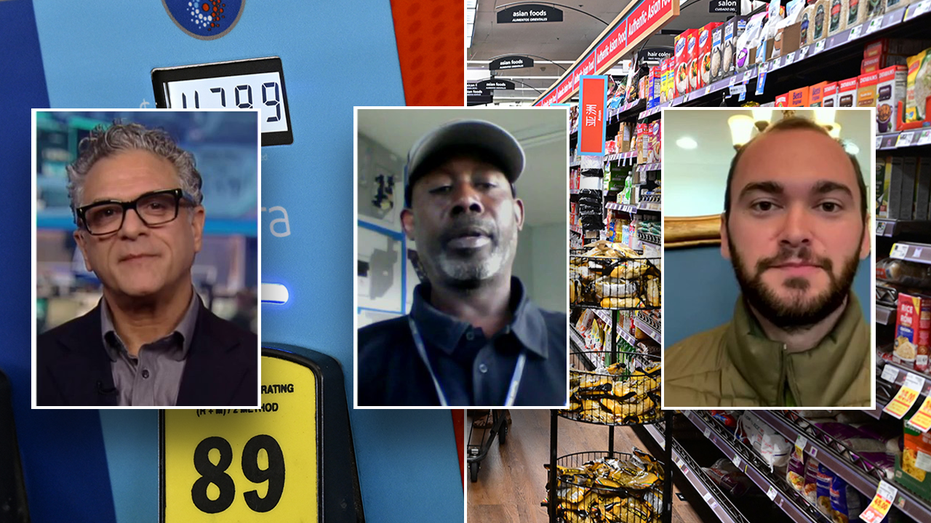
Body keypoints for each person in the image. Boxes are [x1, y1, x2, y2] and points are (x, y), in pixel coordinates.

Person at [36, 122, 258, 407]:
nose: (130, 229)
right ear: (84, 247)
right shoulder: (36, 369)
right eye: (106, 213)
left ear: (195, 229)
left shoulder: (262, 367)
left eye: (155, 205)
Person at [358, 119, 567, 407]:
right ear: (410, 224)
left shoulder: (579, 353)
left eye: (486, 184)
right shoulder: (357, 361)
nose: (467, 199)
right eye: (442, 188)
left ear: (518, 215)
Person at [665, 116, 871, 407]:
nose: (796, 233)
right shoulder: (668, 379)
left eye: (828, 206)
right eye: (764, 205)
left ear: (865, 236)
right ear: (725, 235)